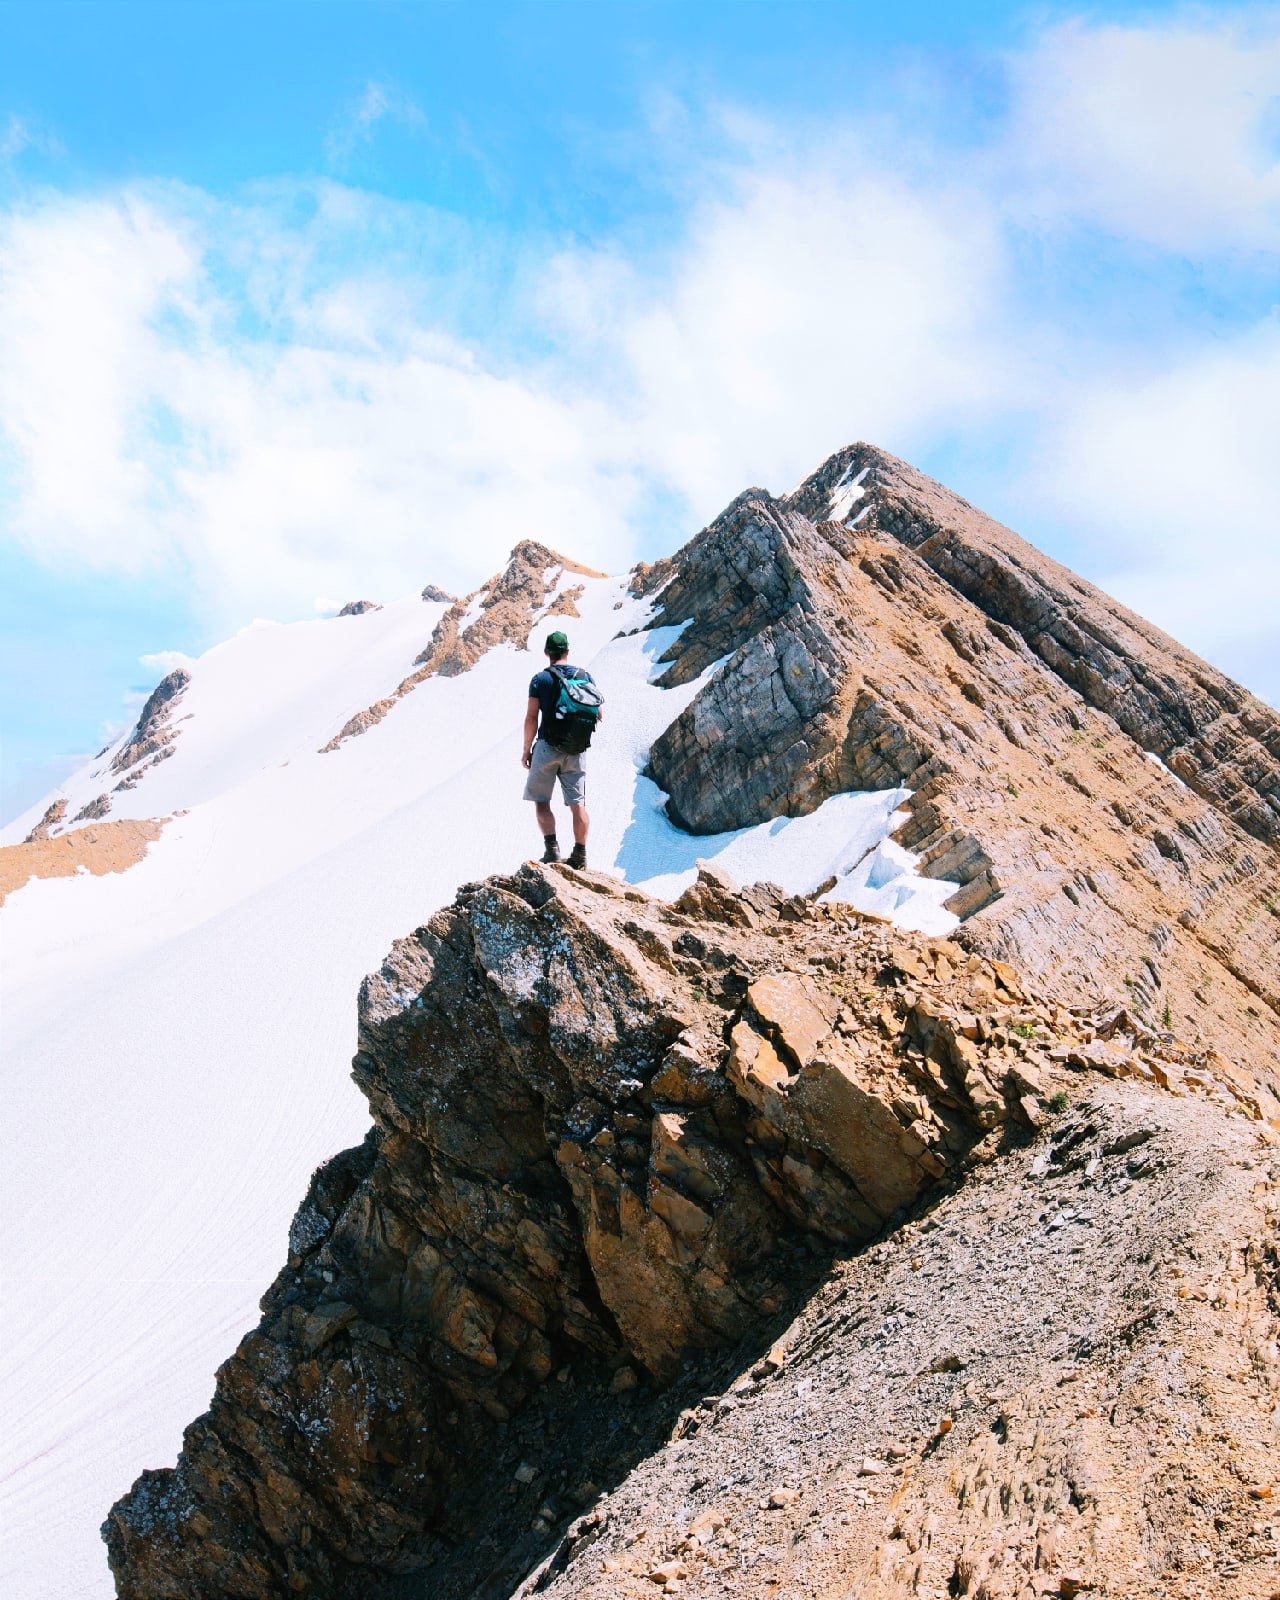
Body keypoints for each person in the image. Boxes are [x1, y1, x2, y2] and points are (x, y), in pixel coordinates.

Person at [522, 630, 598, 869]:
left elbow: (531, 718)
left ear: (547, 653)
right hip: (576, 749)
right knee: (578, 804)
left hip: (547, 746)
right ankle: (580, 855)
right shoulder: (585, 677)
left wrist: (526, 750)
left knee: (542, 801)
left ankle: (552, 850)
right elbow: (598, 713)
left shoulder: (540, 680)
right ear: (568, 651)